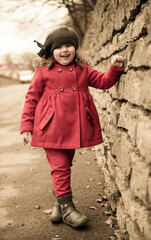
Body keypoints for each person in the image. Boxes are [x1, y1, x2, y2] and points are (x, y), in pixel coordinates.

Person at [20, 26, 124, 228]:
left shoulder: (83, 69)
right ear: (51, 51)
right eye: (59, 47)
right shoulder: (43, 72)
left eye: (69, 45)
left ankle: (58, 205)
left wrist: (115, 68)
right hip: (50, 128)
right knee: (59, 167)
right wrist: (26, 127)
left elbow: (104, 82)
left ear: (75, 48)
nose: (64, 50)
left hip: (73, 129)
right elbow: (31, 99)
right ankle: (68, 209)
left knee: (64, 167)